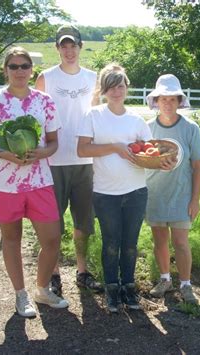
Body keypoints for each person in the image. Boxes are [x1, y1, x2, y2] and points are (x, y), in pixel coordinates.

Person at [0, 47, 69, 318]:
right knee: (11, 239)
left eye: (24, 66)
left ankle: (42, 289)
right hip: (4, 183)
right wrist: (4, 154)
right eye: (13, 66)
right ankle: (21, 295)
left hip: (40, 180)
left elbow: (53, 142)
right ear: (6, 70)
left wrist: (42, 153)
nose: (19, 71)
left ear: (31, 70)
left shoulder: (45, 101)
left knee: (52, 239)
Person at [77, 63, 152, 313]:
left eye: (120, 86)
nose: (116, 91)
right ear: (104, 90)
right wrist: (115, 147)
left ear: (127, 88)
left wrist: (160, 159)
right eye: (111, 87)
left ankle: (129, 289)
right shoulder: (94, 115)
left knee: (130, 243)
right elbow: (82, 149)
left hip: (136, 191)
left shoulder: (137, 119)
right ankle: (111, 290)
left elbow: (150, 153)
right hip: (106, 193)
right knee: (111, 243)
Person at [35, 24, 102, 295]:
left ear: (80, 47)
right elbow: (37, 117)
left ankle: (82, 271)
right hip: (53, 160)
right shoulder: (45, 78)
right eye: (64, 45)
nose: (69, 50)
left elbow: (98, 115)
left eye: (73, 45)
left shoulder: (92, 77)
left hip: (84, 160)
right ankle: (53, 274)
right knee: (52, 222)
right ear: (57, 48)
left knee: (83, 221)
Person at [145, 74, 200, 305]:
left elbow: (198, 167)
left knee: (180, 241)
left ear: (179, 101)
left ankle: (186, 285)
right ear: (156, 101)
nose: (168, 103)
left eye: (173, 99)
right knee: (159, 240)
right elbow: (141, 158)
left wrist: (195, 199)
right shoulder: (148, 128)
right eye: (163, 99)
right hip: (155, 194)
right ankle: (165, 279)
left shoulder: (190, 129)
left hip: (181, 195)